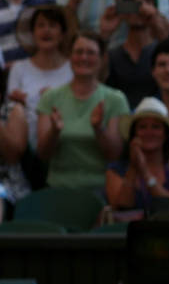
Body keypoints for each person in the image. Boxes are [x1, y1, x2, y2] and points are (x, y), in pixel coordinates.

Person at [35, 32, 129, 192]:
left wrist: (99, 129)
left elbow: (114, 154)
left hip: (101, 189)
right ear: (70, 57)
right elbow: (43, 154)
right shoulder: (51, 97)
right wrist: (54, 132)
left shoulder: (115, 99)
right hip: (59, 188)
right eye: (78, 52)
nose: (84, 58)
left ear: (102, 59)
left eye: (91, 53)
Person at [104, 97, 169, 216]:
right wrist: (133, 168)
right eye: (142, 127)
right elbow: (121, 206)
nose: (149, 132)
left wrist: (145, 173)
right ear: (134, 133)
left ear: (166, 134)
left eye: (156, 127)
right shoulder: (115, 170)